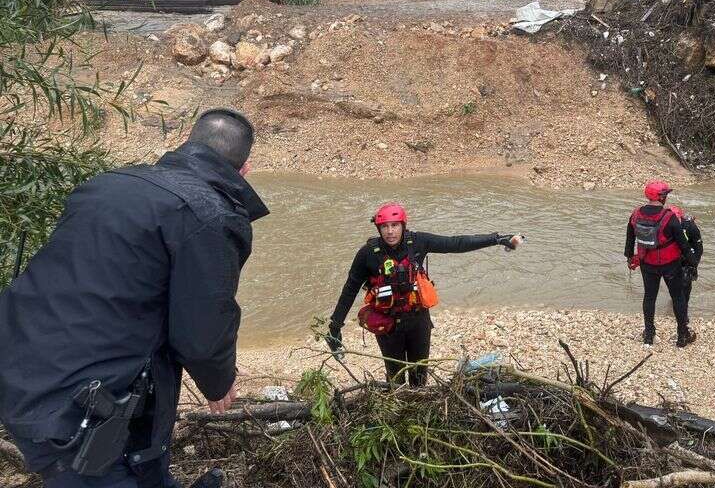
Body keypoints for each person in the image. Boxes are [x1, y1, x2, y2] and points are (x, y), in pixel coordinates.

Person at [0, 109, 269, 488]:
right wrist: (218, 380)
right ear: (244, 171)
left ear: (184, 144)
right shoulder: (210, 212)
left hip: (21, 362)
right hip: (76, 407)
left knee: (140, 467)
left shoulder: (107, 183)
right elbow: (203, 323)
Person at [326, 204, 522, 387]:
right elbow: (350, 289)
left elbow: (455, 243)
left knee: (419, 374)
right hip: (388, 326)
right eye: (385, 227)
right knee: (395, 375)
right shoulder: (368, 253)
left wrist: (496, 239)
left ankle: (418, 405)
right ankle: (397, 404)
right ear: (378, 229)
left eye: (395, 225)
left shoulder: (418, 242)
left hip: (418, 321)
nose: (390, 231)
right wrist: (335, 327)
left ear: (403, 226)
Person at [625, 181, 699, 348]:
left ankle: (649, 335)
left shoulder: (635, 214)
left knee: (649, 297)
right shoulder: (669, 217)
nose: (666, 197)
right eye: (665, 194)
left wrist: (629, 257)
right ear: (662, 197)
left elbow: (630, 238)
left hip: (647, 263)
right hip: (670, 265)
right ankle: (682, 336)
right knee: (678, 297)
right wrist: (693, 263)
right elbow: (683, 245)